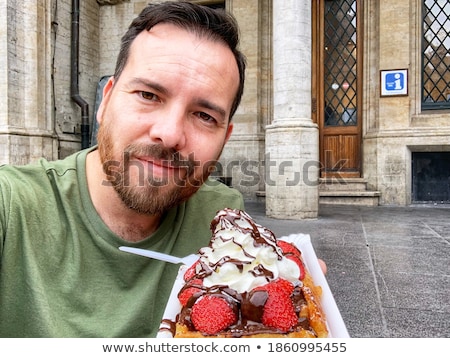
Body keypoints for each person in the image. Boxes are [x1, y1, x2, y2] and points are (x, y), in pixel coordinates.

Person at [0, 1, 246, 337]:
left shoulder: (222, 219)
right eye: (148, 94)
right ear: (106, 102)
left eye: (205, 116)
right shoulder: (11, 206)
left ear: (225, 137)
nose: (170, 134)